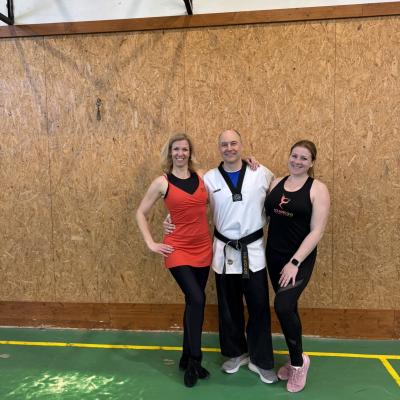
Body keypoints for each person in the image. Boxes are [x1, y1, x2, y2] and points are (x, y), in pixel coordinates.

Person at [136, 133, 213, 388]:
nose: (180, 153)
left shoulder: (202, 176)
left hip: (202, 248)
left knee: (193, 301)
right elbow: (140, 212)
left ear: (190, 152)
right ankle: (195, 361)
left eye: (184, 149)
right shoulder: (162, 182)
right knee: (197, 299)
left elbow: (229, 169)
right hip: (177, 248)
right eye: (176, 149)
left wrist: (249, 161)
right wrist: (151, 243)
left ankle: (184, 356)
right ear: (170, 153)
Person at [203, 129, 277, 384]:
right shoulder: (209, 178)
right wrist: (171, 218)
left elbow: (282, 193)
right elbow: (189, 204)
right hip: (224, 251)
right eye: (224, 144)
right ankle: (236, 353)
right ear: (219, 148)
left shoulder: (260, 172)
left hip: (252, 250)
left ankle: (261, 360)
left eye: (233, 143)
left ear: (241, 145)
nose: (229, 148)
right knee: (228, 306)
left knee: (258, 306)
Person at [265, 139, 330, 393]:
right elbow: (262, 214)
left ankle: (298, 364)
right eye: (294, 156)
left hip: (298, 260)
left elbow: (317, 231)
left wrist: (294, 262)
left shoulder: (318, 189)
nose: (297, 161)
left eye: (304, 158)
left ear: (312, 162)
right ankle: (296, 358)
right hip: (274, 256)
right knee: (288, 308)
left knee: (282, 305)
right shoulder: (275, 183)